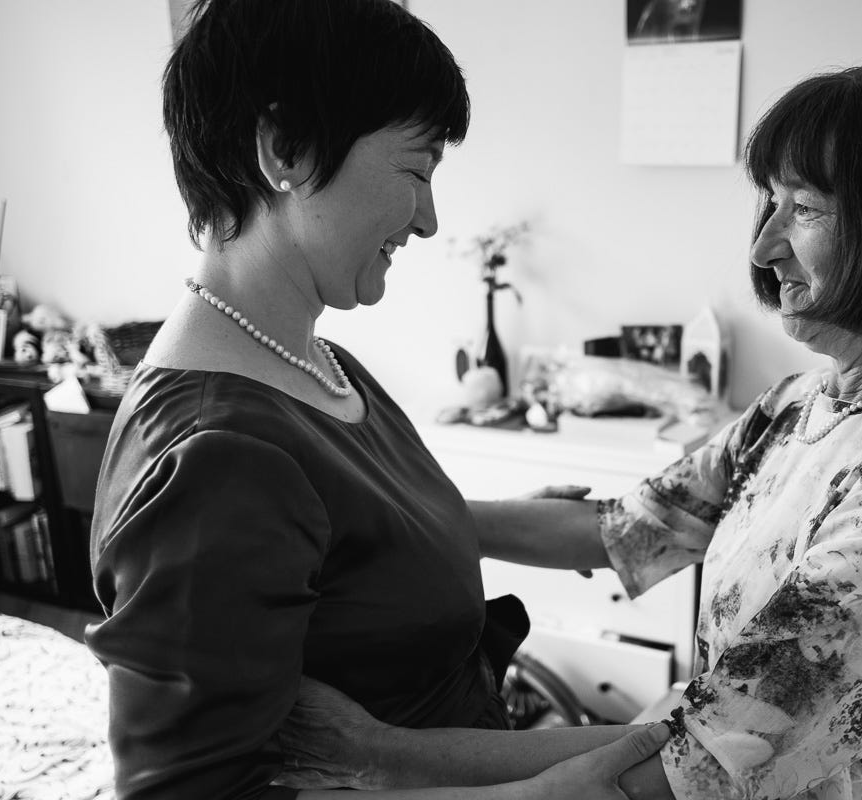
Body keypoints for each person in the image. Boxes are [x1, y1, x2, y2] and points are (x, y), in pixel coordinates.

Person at [281, 52, 862, 798]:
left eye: (807, 209)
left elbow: (701, 764)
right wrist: (405, 520)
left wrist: (376, 755)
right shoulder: (806, 404)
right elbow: (631, 528)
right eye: (771, 203)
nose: (764, 245)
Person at [85, 1, 671, 798]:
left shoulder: (324, 364)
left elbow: (349, 545)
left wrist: (451, 526)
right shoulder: (220, 455)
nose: (429, 220)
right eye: (416, 171)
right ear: (285, 149)